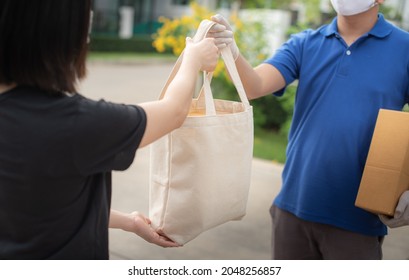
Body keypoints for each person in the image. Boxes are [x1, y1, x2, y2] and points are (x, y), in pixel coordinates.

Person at [0, 0, 219, 259]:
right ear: (60, 35)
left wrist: (128, 222)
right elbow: (174, 112)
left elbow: (41, 206)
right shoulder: (76, 124)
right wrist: (193, 60)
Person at [209, 0, 409, 259]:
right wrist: (232, 51)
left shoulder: (404, 49)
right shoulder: (304, 43)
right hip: (292, 211)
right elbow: (254, 86)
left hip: (358, 221)